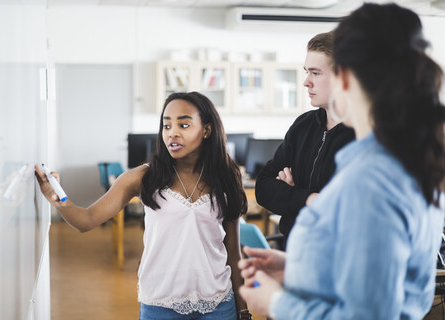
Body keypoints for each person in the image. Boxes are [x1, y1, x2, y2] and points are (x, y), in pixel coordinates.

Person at [238, 3, 445, 319]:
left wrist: (275, 302)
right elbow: (364, 274)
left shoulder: (371, 180)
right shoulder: (405, 158)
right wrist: (297, 268)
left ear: (343, 78)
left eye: (316, 72)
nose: (306, 81)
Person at [36, 91, 253, 320]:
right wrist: (56, 196)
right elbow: (86, 220)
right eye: (166, 126)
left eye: (184, 125)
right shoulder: (142, 177)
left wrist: (243, 310)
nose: (173, 133)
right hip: (160, 306)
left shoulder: (226, 177)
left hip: (219, 304)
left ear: (207, 130)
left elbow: (232, 253)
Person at [255, 31, 355, 248]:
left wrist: (290, 195)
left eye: (316, 73)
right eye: (306, 72)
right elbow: (263, 187)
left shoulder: (366, 135)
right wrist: (309, 199)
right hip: (296, 257)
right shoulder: (303, 126)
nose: (306, 82)